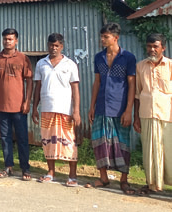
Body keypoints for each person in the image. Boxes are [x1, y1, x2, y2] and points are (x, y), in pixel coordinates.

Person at [86, 23, 136, 195]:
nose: (102, 39)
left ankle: (124, 180)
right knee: (99, 142)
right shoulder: (98, 57)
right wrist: (91, 106)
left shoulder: (128, 57)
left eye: (105, 37)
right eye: (101, 36)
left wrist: (129, 110)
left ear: (115, 38)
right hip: (101, 106)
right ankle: (104, 177)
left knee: (123, 144)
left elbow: (132, 84)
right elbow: (97, 82)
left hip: (120, 107)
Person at [32, 33, 81, 186]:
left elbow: (75, 89)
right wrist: (34, 107)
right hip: (47, 109)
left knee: (68, 142)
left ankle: (72, 175)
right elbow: (38, 87)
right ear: (48, 45)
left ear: (62, 46)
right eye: (51, 45)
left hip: (65, 110)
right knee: (48, 141)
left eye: (57, 46)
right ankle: (51, 172)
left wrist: (76, 111)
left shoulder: (70, 64)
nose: (53, 48)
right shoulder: (41, 63)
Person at [0, 28, 33, 180]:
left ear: (16, 41)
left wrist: (27, 102)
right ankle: (8, 166)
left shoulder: (22, 58)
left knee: (22, 138)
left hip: (19, 107)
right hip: (1, 106)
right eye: (5, 39)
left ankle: (25, 168)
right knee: (5, 138)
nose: (8, 41)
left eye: (10, 39)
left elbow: (29, 81)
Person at [133, 33, 172, 196]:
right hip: (146, 113)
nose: (152, 49)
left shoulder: (170, 66)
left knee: (169, 151)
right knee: (149, 150)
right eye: (149, 46)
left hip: (167, 115)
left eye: (155, 46)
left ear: (163, 47)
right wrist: (136, 118)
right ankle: (152, 184)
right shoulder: (140, 66)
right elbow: (137, 93)